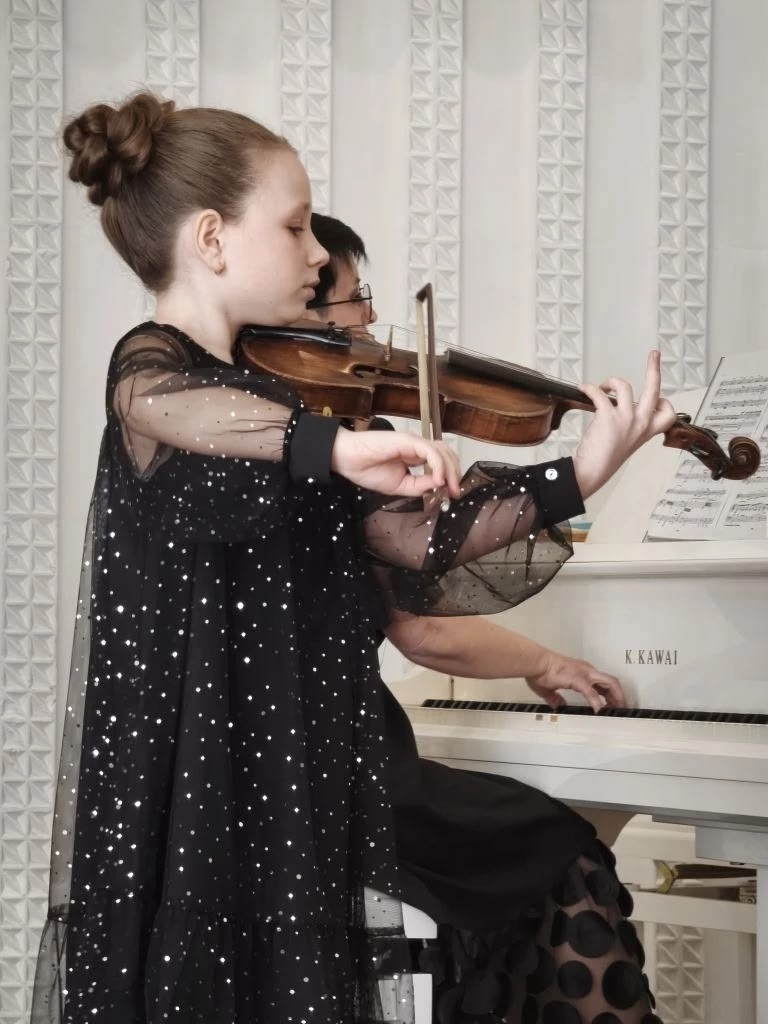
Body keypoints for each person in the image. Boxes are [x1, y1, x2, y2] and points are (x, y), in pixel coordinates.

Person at [32, 90, 672, 1024]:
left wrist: (581, 471)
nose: (316, 253)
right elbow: (167, 405)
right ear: (211, 239)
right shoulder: (158, 374)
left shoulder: (288, 407)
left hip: (306, 771)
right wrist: (329, 447)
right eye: (294, 226)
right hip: (202, 787)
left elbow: (419, 540)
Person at [295, 211, 666, 1023]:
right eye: (352, 301)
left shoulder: (320, 440)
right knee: (559, 851)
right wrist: (584, 468)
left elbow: (416, 626)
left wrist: (544, 662)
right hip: (342, 782)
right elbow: (434, 549)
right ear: (300, 316)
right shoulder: (322, 451)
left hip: (344, 763)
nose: (371, 325)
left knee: (540, 853)